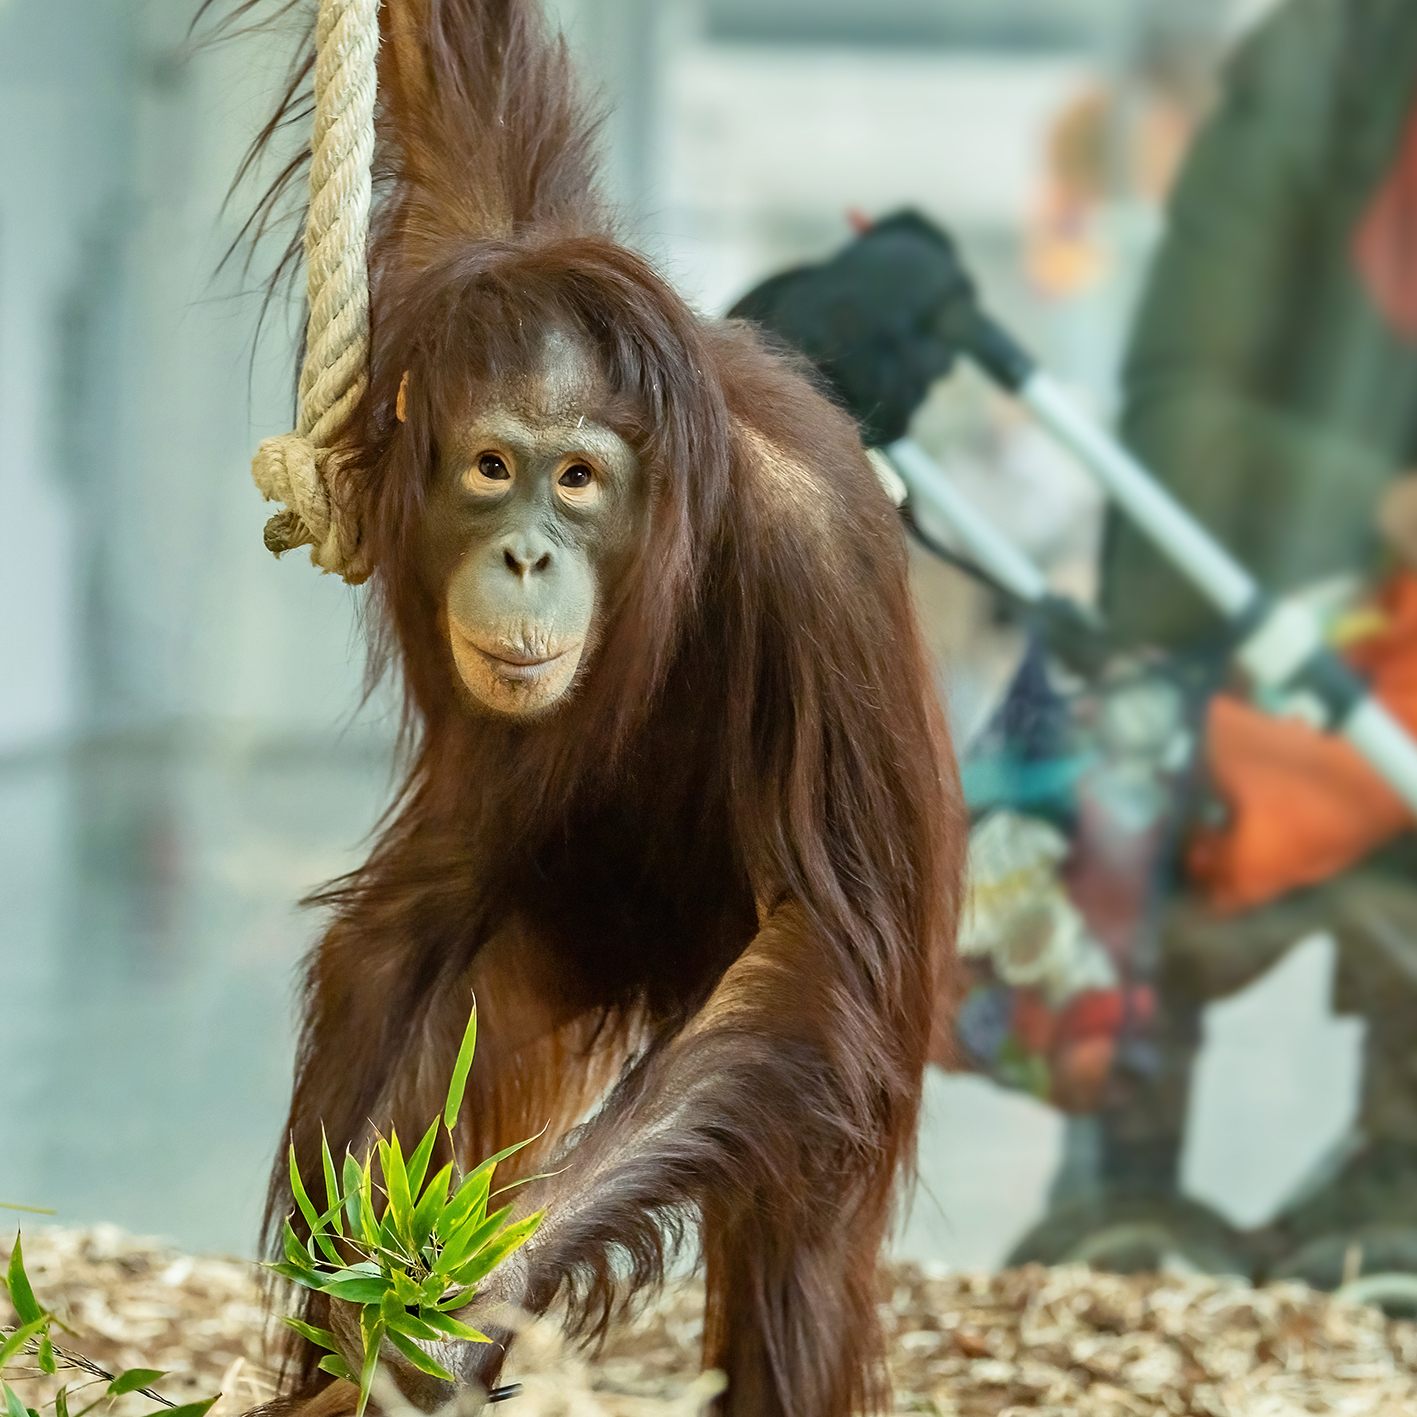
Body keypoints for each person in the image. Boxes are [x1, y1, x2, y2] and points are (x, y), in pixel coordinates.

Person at [1100, 0, 1417, 1278]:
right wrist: (1381, 505)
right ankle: (1124, 1170)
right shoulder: (1324, 68)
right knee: (1101, 743)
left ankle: (1389, 1174)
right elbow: (1178, 423)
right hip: (1250, 623)